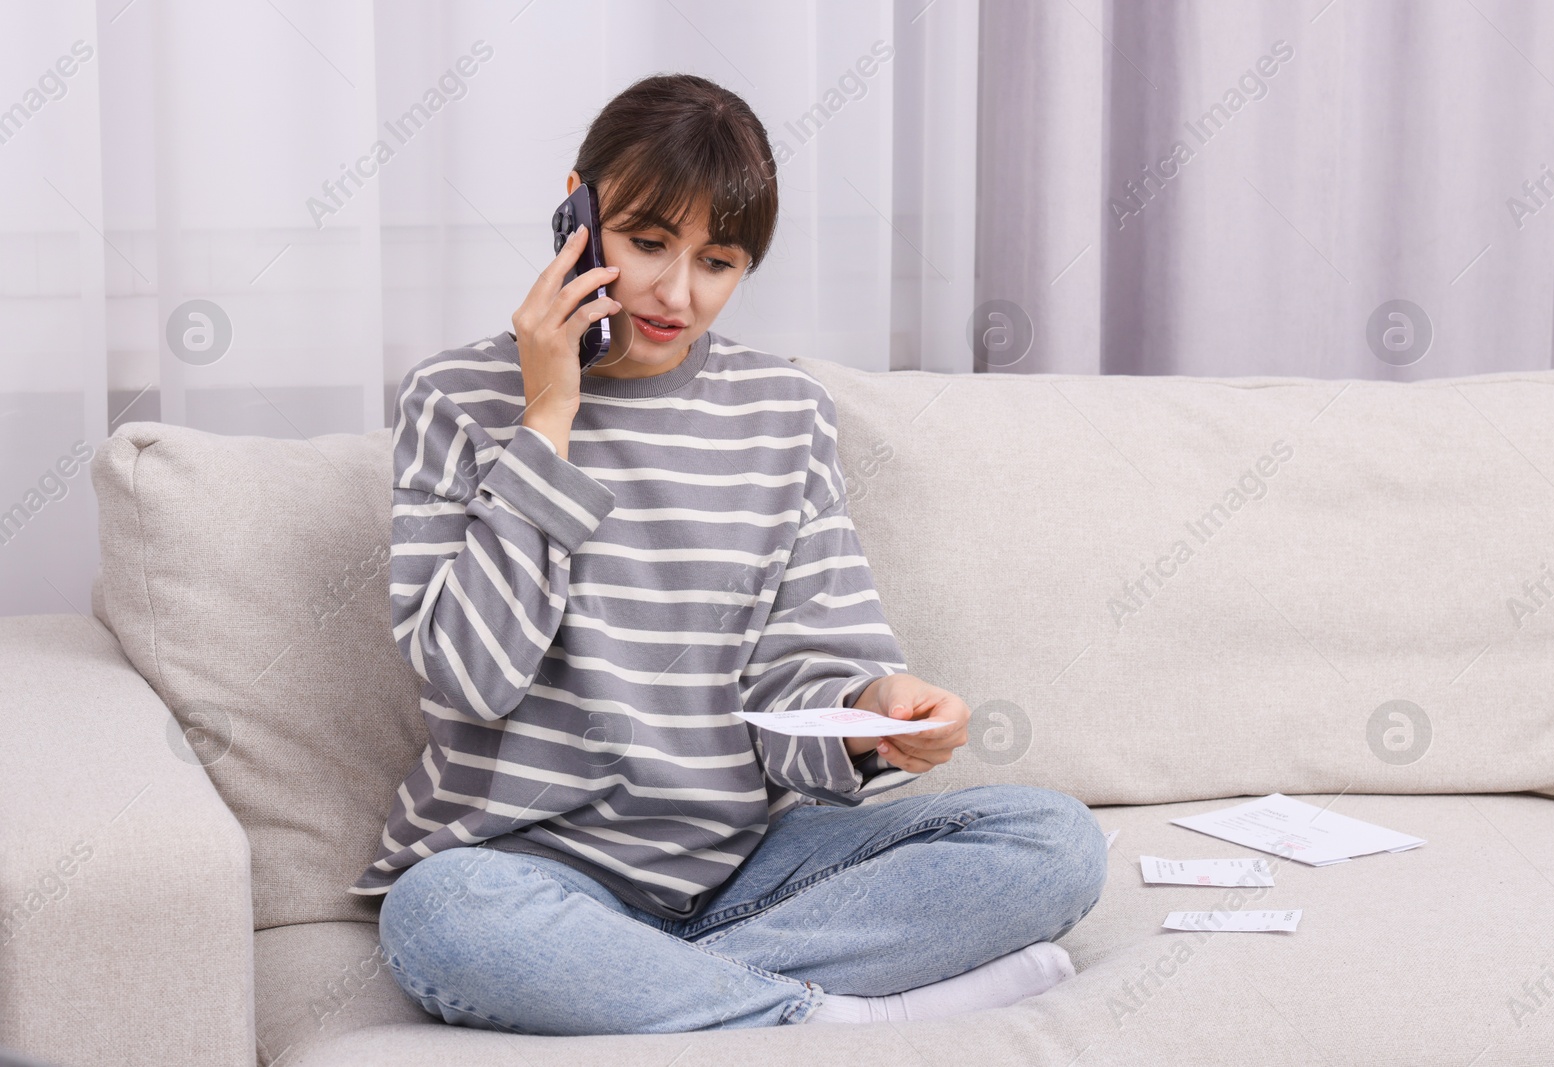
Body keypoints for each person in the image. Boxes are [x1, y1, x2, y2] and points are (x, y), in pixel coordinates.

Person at [351, 72, 1107, 1036]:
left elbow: (805, 671)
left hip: (746, 867)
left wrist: (877, 711)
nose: (676, 293)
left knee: (1053, 840)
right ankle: (831, 1014)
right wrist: (548, 417)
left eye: (718, 259)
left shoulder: (783, 414)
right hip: (525, 868)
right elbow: (472, 680)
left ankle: (685, 998)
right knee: (441, 918)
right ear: (576, 212)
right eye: (648, 243)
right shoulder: (455, 398)